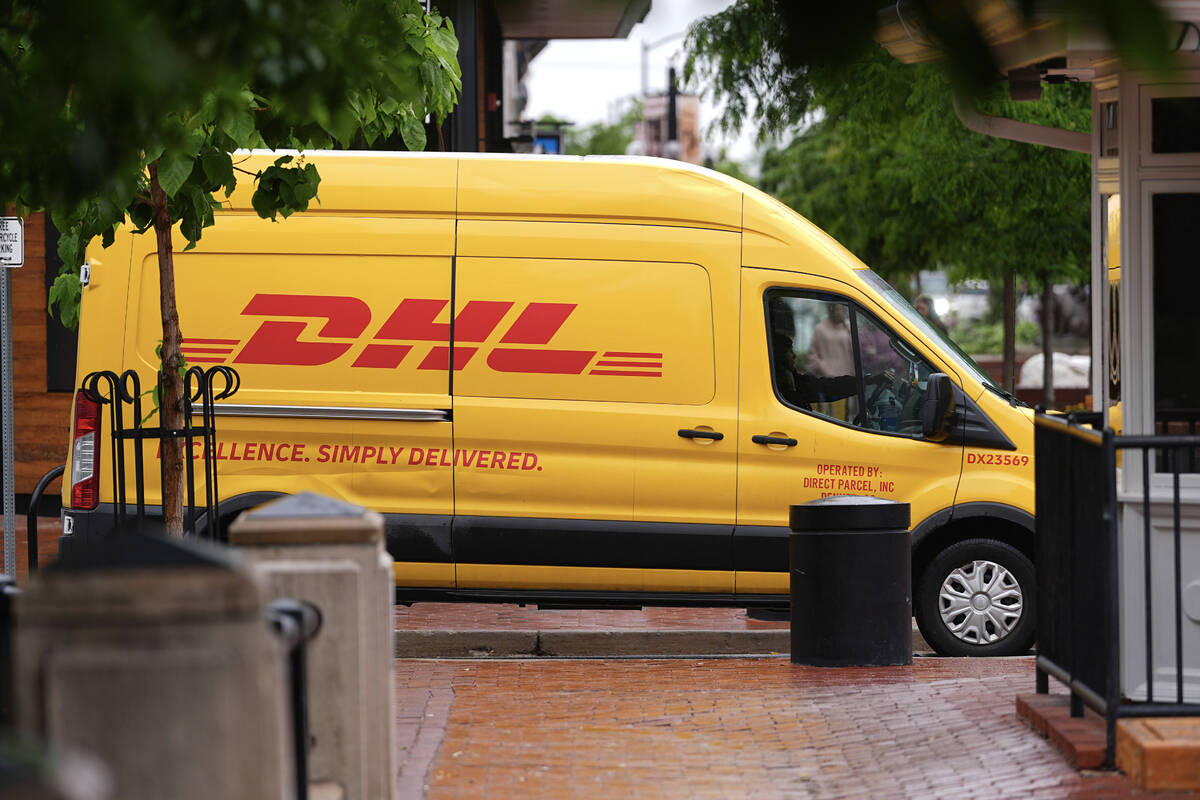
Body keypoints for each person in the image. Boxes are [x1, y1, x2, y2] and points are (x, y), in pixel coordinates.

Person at [773, 331, 892, 412]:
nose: (794, 356)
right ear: (780, 356)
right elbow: (825, 388)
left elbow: (826, 387)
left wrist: (866, 380)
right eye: (789, 352)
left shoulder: (795, 382)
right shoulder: (781, 389)